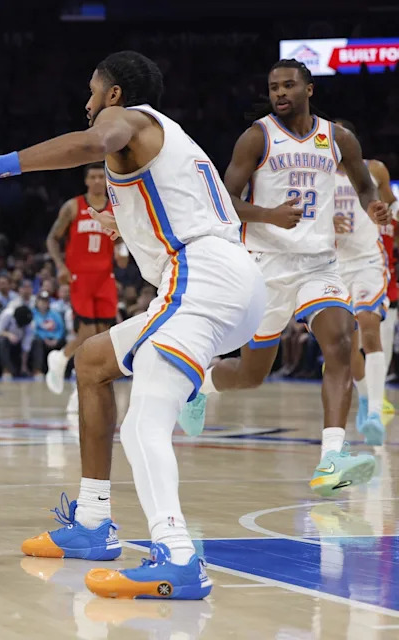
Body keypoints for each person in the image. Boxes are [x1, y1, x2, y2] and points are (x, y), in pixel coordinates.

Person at [0, 50, 266, 600]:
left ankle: (178, 558)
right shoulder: (171, 140)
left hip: (202, 280)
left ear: (113, 94)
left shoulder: (127, 119)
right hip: (227, 281)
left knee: (143, 426)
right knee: (93, 361)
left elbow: (90, 143)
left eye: (92, 91)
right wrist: (123, 225)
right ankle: (91, 521)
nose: (86, 103)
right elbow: (180, 211)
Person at [179, 60, 389, 494]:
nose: (280, 93)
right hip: (266, 265)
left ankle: (332, 457)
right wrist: (268, 215)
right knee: (252, 374)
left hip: (319, 264)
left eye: (288, 85)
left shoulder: (337, 138)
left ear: (309, 89)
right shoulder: (257, 136)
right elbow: (221, 199)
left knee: (342, 341)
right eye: (274, 86)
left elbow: (365, 186)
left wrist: (374, 207)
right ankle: (203, 385)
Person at [332, 119, 398, 436]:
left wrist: (387, 216)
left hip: (367, 261)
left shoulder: (375, 170)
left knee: (370, 329)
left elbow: (392, 208)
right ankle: (365, 400)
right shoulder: (317, 177)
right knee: (344, 347)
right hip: (331, 265)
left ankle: (375, 413)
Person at [44, 163, 117, 410]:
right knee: (88, 334)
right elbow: (52, 238)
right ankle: (76, 378)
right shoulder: (73, 206)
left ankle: (68, 365)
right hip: (80, 277)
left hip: (106, 277)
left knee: (103, 335)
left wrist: (123, 250)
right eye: (93, 177)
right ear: (86, 181)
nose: (97, 181)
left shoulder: (116, 208)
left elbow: (125, 236)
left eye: (101, 176)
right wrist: (60, 266)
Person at [30, 291, 66, 378]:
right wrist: (44, 338)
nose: (43, 304)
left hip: (54, 339)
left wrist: (56, 339)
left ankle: (62, 372)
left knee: (65, 342)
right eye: (41, 301)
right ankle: (37, 370)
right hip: (41, 339)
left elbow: (61, 328)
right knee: (37, 342)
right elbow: (33, 329)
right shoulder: (32, 313)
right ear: (37, 302)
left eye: (45, 301)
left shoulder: (55, 314)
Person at [0, 304, 34, 379]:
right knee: (3, 341)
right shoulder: (7, 314)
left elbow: (26, 346)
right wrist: (9, 335)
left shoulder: (30, 325)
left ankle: (24, 369)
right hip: (5, 339)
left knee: (35, 342)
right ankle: (6, 370)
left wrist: (24, 366)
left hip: (19, 343)